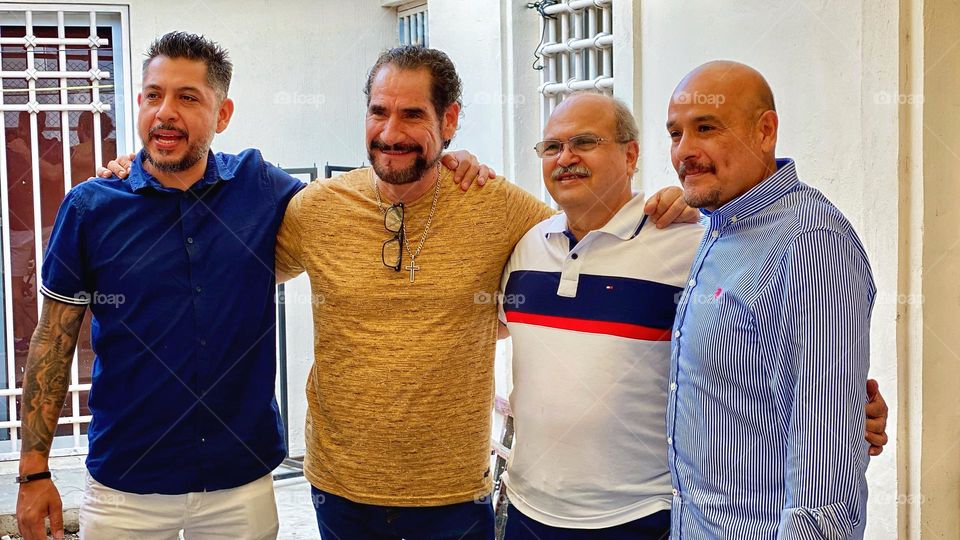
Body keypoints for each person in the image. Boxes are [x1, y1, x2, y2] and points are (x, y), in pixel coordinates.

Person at [15, 32, 491, 540]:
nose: (165, 112)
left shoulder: (259, 186)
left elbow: (359, 204)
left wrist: (444, 163)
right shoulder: (91, 208)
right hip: (125, 488)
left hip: (239, 485)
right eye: (154, 95)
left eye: (187, 97)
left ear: (223, 115)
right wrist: (34, 470)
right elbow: (53, 340)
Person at [273, 46, 699, 539]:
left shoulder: (499, 207)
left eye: (413, 114)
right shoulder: (316, 210)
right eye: (378, 112)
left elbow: (589, 234)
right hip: (338, 491)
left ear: (448, 119)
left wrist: (675, 205)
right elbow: (243, 275)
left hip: (454, 497)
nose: (391, 133)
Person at [497, 92, 889, 539]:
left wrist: (847, 412)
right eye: (551, 147)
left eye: (584, 142)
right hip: (528, 511)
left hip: (646, 517)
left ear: (630, 156)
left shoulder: (694, 243)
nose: (565, 158)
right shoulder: (526, 247)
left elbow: (781, 357)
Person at [665, 61, 876, 538]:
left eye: (706, 128)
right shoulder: (719, 227)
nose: (685, 151)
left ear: (765, 131)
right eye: (675, 134)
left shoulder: (810, 244)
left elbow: (828, 459)